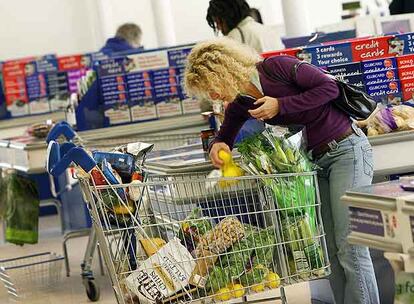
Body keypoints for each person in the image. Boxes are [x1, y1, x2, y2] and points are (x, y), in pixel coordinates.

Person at [184, 38, 380, 304]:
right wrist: (220, 145)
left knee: (351, 247)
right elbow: (226, 133)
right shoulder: (242, 101)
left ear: (224, 72)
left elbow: (329, 88)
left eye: (212, 87)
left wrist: (280, 105)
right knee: (330, 250)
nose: (214, 96)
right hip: (315, 164)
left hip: (347, 151)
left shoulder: (275, 67)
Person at [206, 0, 283, 54]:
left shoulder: (233, 38)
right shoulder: (270, 31)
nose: (219, 28)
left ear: (225, 18)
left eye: (217, 22)